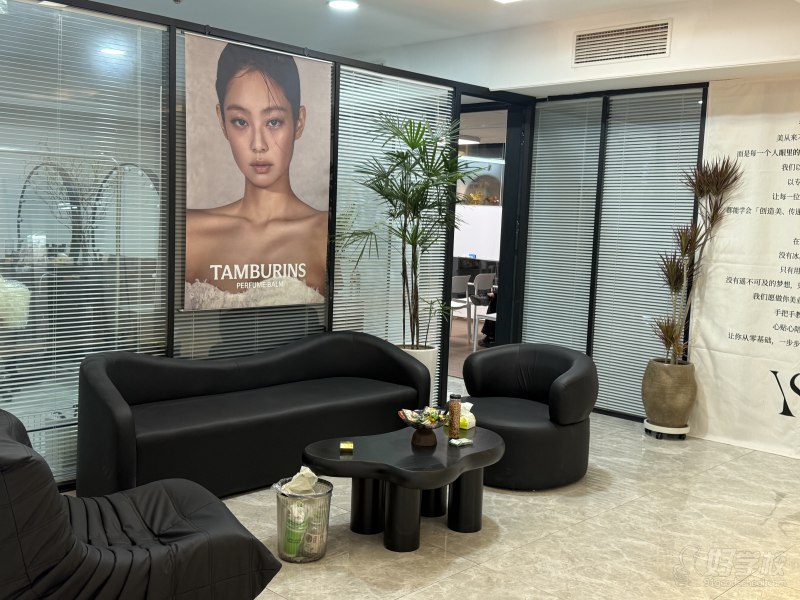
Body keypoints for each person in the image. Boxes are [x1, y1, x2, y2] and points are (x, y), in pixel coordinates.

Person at [185, 43, 328, 310]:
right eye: (241, 121)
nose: (258, 144)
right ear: (222, 121)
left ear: (298, 122)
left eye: (273, 122)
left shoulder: (324, 233)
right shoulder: (191, 231)